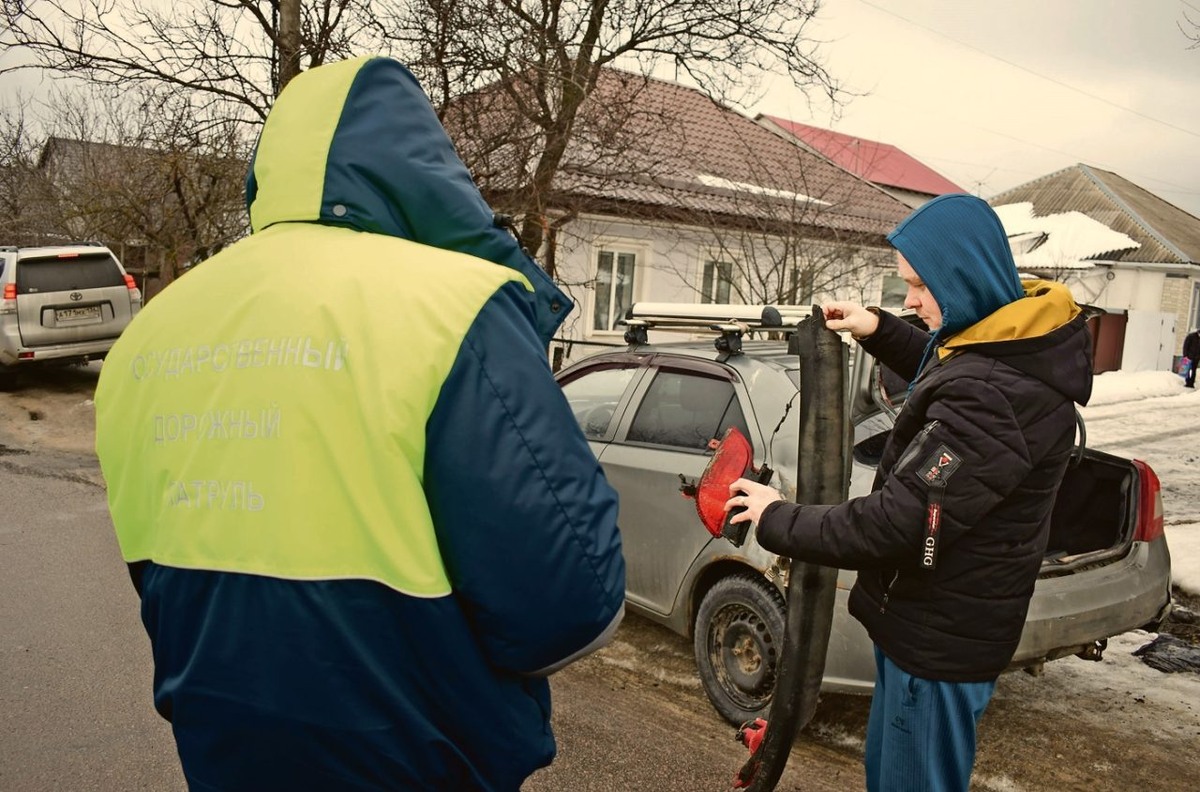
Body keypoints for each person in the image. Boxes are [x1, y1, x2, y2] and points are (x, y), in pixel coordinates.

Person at [93, 56, 625, 792]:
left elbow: (162, 580)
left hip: (224, 757)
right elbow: (571, 606)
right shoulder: (455, 308)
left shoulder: (147, 337)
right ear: (423, 166)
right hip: (419, 763)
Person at [727, 193, 1092, 792]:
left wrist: (777, 518)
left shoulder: (992, 398)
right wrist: (878, 329)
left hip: (936, 646)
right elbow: (953, 359)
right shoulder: (1010, 335)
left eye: (921, 287)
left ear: (965, 280)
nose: (912, 301)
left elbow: (897, 525)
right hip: (942, 626)